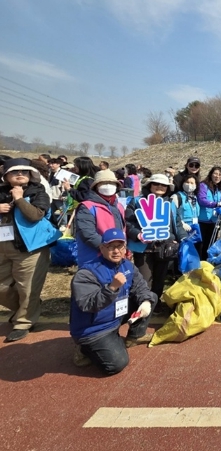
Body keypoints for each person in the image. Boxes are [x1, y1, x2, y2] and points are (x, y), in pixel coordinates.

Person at [70, 229, 157, 375]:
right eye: (111, 246)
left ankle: (134, 336)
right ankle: (84, 349)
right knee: (117, 364)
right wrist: (112, 288)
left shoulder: (128, 266)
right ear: (102, 248)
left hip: (115, 315)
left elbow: (140, 287)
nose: (116, 251)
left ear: (125, 248)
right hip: (95, 329)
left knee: (151, 297)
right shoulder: (87, 273)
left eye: (120, 246)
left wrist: (146, 301)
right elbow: (87, 304)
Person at [0, 159, 61, 342]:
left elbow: (35, 215)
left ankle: (24, 322)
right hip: (3, 247)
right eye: (15, 171)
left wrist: (19, 199)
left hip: (31, 248)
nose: (20, 174)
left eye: (24, 171)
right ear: (6, 176)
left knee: (28, 288)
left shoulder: (38, 192)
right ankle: (26, 308)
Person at [125, 174, 188, 309]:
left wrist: (183, 238)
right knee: (144, 278)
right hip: (143, 247)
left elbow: (177, 223)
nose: (160, 187)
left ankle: (155, 302)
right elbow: (129, 223)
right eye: (156, 184)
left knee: (160, 279)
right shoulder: (137, 201)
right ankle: (142, 304)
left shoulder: (170, 204)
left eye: (163, 185)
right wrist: (138, 234)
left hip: (165, 247)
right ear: (149, 185)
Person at [75, 169, 126, 266]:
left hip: (117, 255)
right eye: (104, 183)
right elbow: (88, 234)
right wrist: (108, 248)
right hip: (94, 259)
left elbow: (123, 230)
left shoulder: (119, 206)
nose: (108, 186)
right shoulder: (87, 207)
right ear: (96, 186)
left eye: (111, 183)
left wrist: (121, 249)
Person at [197, 167, 221, 256]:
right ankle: (199, 261)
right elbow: (201, 200)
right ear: (211, 174)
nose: (217, 176)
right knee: (201, 244)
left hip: (214, 221)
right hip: (202, 220)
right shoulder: (203, 185)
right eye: (215, 174)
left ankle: (206, 261)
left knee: (210, 244)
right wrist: (216, 204)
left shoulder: (220, 189)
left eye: (220, 174)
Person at [171, 174, 201, 254]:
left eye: (192, 183)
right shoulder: (177, 197)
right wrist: (182, 224)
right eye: (187, 182)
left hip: (194, 230)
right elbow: (172, 214)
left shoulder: (195, 197)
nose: (189, 185)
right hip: (182, 230)